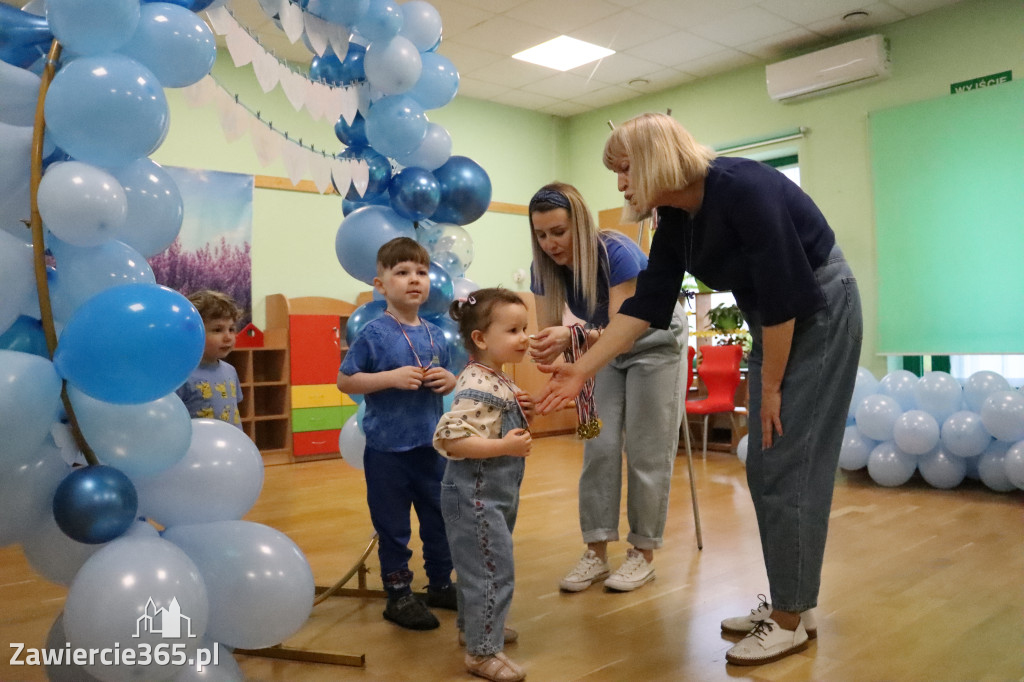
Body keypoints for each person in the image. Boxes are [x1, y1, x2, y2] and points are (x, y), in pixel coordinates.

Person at [536, 112, 862, 667]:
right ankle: (794, 603)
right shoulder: (675, 219)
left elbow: (787, 293)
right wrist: (583, 367)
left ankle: (789, 619)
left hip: (817, 312)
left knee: (788, 460)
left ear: (658, 160)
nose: (620, 184)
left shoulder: (744, 188)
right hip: (774, 319)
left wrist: (773, 386)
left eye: (625, 169)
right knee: (765, 463)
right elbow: (647, 305)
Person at [527, 182, 688, 593]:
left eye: (558, 232)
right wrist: (534, 355)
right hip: (602, 351)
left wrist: (572, 339)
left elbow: (623, 331)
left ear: (578, 225)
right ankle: (596, 553)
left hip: (652, 341)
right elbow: (551, 340)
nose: (550, 244)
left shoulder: (615, 251)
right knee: (597, 445)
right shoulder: (543, 269)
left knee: (645, 450)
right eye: (541, 234)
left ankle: (642, 554)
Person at [337, 237, 458, 631]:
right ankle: (399, 595)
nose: (414, 280)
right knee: (393, 526)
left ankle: (440, 583)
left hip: (430, 446)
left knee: (439, 518)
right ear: (381, 284)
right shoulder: (375, 333)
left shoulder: (435, 335)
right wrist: (389, 378)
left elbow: (448, 377)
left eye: (421, 272)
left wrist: (447, 379)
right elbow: (345, 381)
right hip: (388, 451)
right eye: (402, 272)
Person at [433, 288, 534, 682]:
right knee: (492, 571)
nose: (524, 337)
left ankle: (474, 630)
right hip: (476, 498)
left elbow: (499, 418)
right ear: (480, 339)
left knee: (481, 566)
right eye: (513, 330)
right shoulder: (477, 385)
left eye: (524, 328)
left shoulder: (497, 379)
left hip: (493, 496)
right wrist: (503, 445)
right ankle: (481, 653)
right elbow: (450, 440)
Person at [176, 289, 243, 428]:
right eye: (217, 330)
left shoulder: (230, 371)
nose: (228, 337)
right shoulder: (181, 375)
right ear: (194, 332)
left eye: (231, 329)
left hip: (230, 444)